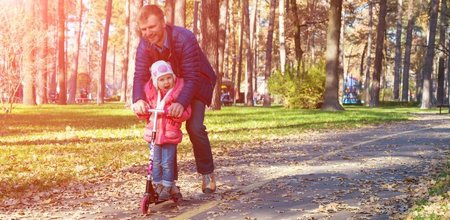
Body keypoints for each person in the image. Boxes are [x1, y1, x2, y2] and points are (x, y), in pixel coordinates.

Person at [132, 5, 217, 193]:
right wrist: (138, 99)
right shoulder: (145, 45)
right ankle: (169, 184)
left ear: (163, 23)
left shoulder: (184, 38)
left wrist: (180, 103)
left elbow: (192, 76)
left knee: (194, 127)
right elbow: (139, 75)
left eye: (152, 27)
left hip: (196, 82)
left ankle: (207, 173)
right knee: (165, 128)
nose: (148, 33)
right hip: (168, 86)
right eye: (144, 29)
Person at [136, 60, 190, 201]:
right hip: (153, 133)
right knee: (155, 161)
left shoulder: (178, 94)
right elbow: (145, 114)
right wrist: (142, 110)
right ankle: (157, 184)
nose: (166, 82)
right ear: (156, 82)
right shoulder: (152, 95)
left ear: (173, 77)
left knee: (167, 162)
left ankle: (167, 185)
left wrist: (175, 112)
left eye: (168, 78)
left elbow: (186, 113)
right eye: (161, 79)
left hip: (169, 135)